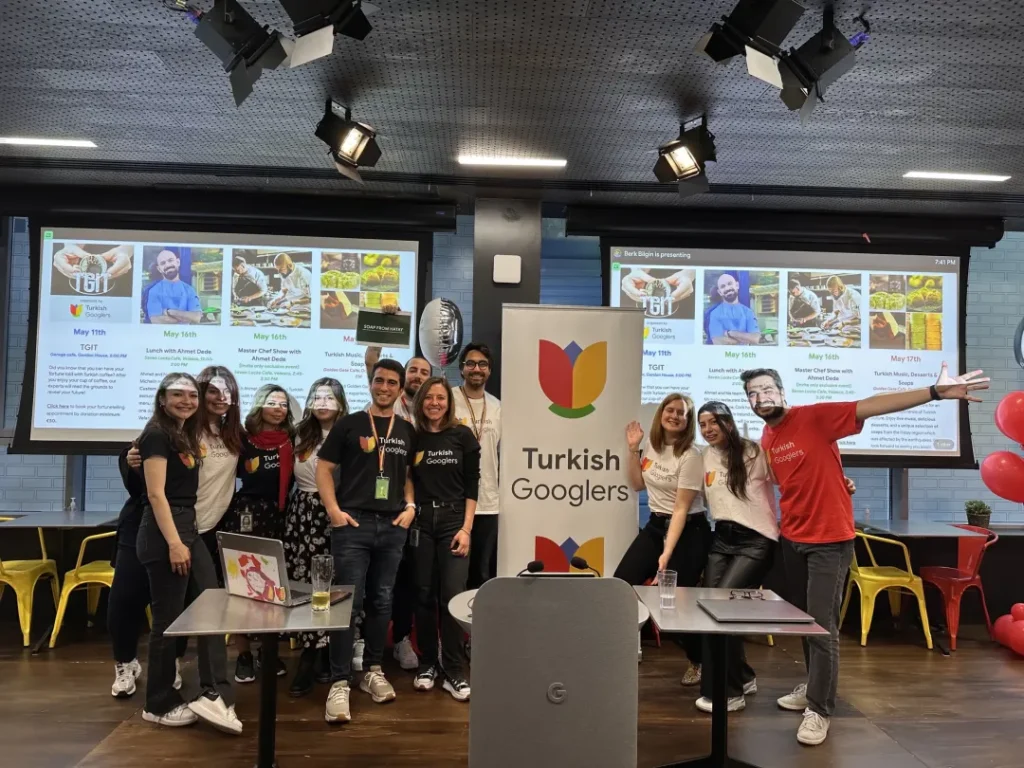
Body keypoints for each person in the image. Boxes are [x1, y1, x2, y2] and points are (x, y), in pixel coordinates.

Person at [741, 362, 988, 746]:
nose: (760, 398)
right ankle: (814, 685)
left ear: (782, 391)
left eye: (766, 389)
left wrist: (934, 392)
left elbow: (873, 405)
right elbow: (792, 479)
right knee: (805, 622)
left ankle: (820, 709)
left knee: (822, 626)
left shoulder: (814, 417)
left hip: (828, 540)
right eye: (752, 394)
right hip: (793, 538)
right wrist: (839, 479)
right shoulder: (768, 437)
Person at [117, 366, 244, 696]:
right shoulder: (177, 432)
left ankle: (215, 688)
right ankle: (158, 689)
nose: (219, 397)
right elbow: (154, 488)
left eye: (226, 391)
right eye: (211, 391)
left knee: (207, 605)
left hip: (201, 529)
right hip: (165, 527)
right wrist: (129, 458)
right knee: (162, 610)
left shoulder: (232, 434)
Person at [317, 359, 416, 724]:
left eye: (391, 382)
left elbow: (408, 475)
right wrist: (333, 511)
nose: (384, 387)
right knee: (347, 603)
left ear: (401, 390)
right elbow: (324, 468)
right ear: (371, 383)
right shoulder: (349, 424)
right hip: (353, 524)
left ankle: (373, 669)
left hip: (392, 526)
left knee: (382, 599)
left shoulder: (407, 429)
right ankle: (340, 681)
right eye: (379, 380)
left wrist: (411, 507)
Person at [618, 392, 710, 685]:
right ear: (661, 414)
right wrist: (633, 449)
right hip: (656, 526)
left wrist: (666, 553)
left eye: (681, 413)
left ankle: (701, 661)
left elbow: (681, 509)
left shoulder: (691, 455)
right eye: (670, 410)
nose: (674, 416)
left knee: (676, 603)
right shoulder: (652, 446)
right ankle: (616, 651)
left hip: (688, 533)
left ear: (688, 421)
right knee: (621, 584)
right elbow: (637, 484)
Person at [693, 401, 779, 714]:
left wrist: (842, 482)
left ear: (728, 422)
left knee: (724, 609)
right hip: (722, 538)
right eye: (702, 424)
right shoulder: (704, 456)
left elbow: (788, 477)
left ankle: (729, 693)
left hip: (756, 540)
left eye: (713, 422)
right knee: (708, 608)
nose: (707, 429)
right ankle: (742, 677)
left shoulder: (754, 452)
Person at [408, 377, 479, 701]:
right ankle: (427, 664)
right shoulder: (413, 436)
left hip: (454, 522)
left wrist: (466, 529)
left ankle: (453, 669)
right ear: (420, 401)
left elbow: (472, 485)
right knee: (423, 594)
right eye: (429, 397)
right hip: (421, 522)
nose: (434, 403)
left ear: (449, 403)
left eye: (441, 398)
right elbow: (407, 478)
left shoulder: (462, 436)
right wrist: (411, 506)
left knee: (452, 596)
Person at [220, 384, 296, 683]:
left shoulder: (291, 440)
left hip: (279, 518)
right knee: (242, 587)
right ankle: (244, 655)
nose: (278, 409)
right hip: (246, 517)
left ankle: (267, 650)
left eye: (283, 404)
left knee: (273, 588)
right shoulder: (242, 439)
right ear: (260, 406)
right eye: (272, 403)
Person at [284, 378, 349, 697]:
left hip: (335, 513)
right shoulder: (298, 432)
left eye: (329, 397)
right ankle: (309, 653)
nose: (323, 403)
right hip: (303, 514)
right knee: (305, 584)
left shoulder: (349, 432)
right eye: (317, 397)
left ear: (340, 402)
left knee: (332, 584)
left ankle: (327, 649)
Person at [454, 343, 501, 588]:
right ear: (462, 369)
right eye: (470, 363)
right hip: (454, 500)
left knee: (481, 573)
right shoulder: (448, 399)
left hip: (488, 502)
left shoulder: (498, 407)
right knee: (453, 573)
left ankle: (476, 613)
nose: (476, 369)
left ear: (489, 370)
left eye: (483, 364)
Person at [146, 249, 202, 325]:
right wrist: (186, 317)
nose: (167, 265)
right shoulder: (154, 291)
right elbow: (156, 320)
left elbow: (196, 317)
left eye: (170, 260)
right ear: (159, 269)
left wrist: (170, 312)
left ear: (178, 262)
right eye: (163, 263)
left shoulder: (189, 290)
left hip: (185, 333)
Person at [707, 273, 761, 345]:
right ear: (720, 292)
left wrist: (730, 333)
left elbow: (755, 339)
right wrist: (746, 338)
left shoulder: (748, 312)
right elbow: (718, 341)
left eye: (730, 284)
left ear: (737, 285)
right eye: (723, 286)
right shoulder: (715, 314)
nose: (727, 288)